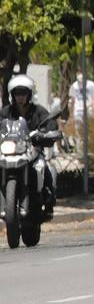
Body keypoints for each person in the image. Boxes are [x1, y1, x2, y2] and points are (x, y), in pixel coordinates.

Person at [4, 74, 58, 216]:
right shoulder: (6, 112)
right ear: (12, 95)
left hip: (32, 148)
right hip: (11, 150)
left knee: (43, 166)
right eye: (17, 93)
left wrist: (48, 132)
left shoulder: (39, 111)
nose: (20, 97)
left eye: (23, 93)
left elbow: (50, 123)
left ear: (29, 94)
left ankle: (48, 199)